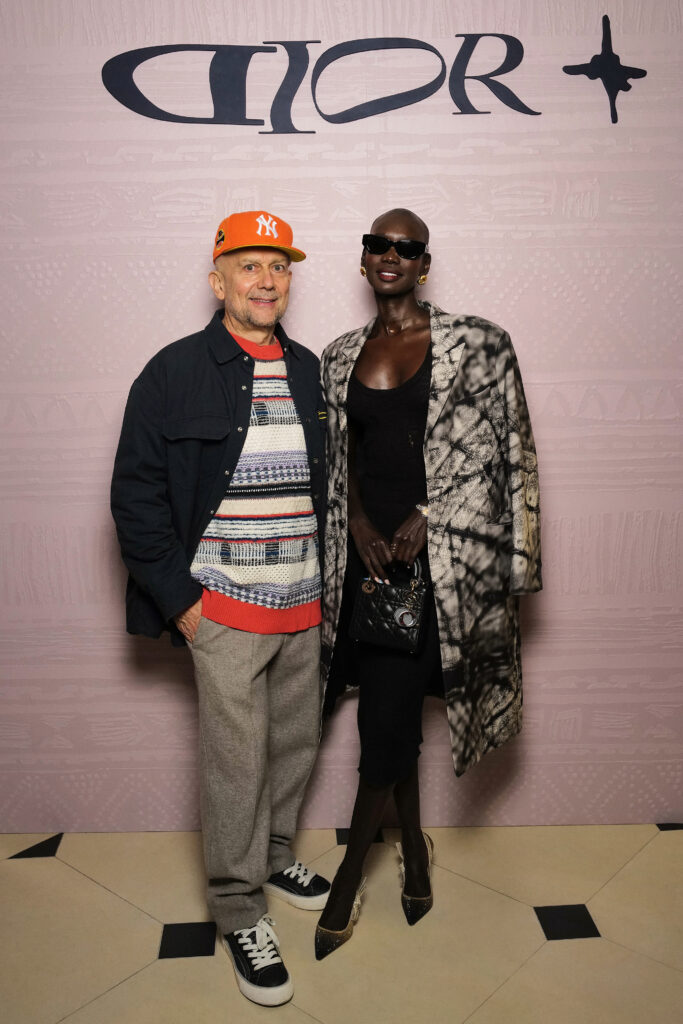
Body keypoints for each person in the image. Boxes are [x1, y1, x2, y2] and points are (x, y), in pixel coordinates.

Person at [110, 210, 330, 1006]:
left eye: (279, 265)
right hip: (224, 610)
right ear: (218, 281)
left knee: (293, 746)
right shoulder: (171, 371)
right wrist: (183, 604)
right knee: (237, 766)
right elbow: (135, 495)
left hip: (306, 603)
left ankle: (274, 856)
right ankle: (239, 908)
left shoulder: (308, 370)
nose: (266, 280)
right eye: (248, 265)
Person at [315, 208, 541, 959]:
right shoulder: (338, 354)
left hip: (440, 569)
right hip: (369, 567)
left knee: (385, 722)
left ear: (423, 264)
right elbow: (336, 461)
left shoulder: (478, 343)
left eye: (406, 247)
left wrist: (431, 513)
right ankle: (412, 852)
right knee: (389, 719)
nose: (391, 255)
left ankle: (349, 878)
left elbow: (507, 453)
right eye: (378, 244)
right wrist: (356, 524)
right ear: (363, 259)